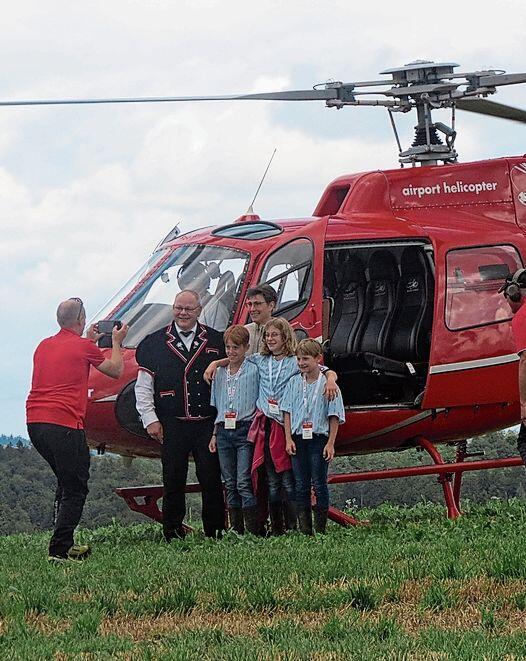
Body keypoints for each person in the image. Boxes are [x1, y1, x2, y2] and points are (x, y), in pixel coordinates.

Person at [206, 317, 338, 535]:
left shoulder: (295, 361)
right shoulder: (259, 360)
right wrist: (214, 363)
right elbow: (235, 359)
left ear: (285, 336)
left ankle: (294, 526)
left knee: (289, 478)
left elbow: (323, 369)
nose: (270, 339)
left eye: (274, 335)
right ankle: (275, 527)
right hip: (265, 425)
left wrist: (331, 380)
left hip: (286, 425)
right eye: (267, 335)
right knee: (271, 478)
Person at [26, 298, 128, 562]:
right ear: (81, 320)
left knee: (65, 478)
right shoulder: (83, 347)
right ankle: (60, 549)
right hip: (65, 424)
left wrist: (90, 341)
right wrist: (116, 343)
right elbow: (116, 370)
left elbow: (70, 358)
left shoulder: (43, 346)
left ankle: (64, 540)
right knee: (76, 486)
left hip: (35, 423)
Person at [135, 289, 226, 541]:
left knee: (210, 478)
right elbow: (143, 386)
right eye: (178, 308)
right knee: (173, 479)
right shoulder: (153, 343)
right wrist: (150, 419)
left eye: (188, 309)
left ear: (199, 310)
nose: (182, 313)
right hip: (171, 424)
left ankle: (215, 532)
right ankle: (172, 532)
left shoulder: (217, 341)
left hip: (207, 424)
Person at [282, 339, 345, 535]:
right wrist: (288, 439)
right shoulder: (293, 382)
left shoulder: (328, 384)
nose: (301, 363)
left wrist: (331, 443)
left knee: (318, 482)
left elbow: (334, 415)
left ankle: (321, 528)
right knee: (300, 484)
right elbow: (287, 412)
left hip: (319, 438)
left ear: (318, 359)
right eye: (299, 359)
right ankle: (305, 529)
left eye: (306, 359)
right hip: (298, 437)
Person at [209, 325, 260, 534]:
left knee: (243, 481)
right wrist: (214, 434)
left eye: (236, 348)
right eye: (228, 348)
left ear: (246, 347)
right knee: (229, 482)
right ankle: (236, 529)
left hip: (244, 428)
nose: (231, 352)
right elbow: (217, 404)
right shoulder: (219, 373)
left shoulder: (255, 368)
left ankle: (253, 528)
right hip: (223, 430)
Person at [502, 269, 526, 465]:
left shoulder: (522, 318)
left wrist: (524, 406)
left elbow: (525, 361)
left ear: (514, 293)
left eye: (506, 296)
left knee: (524, 443)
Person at [177, 261, 230, 330]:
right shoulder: (183, 310)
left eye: (191, 282)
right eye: (186, 283)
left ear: (204, 282)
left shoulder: (214, 307)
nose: (187, 288)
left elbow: (220, 337)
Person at [245, 284, 278, 355]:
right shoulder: (244, 331)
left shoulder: (282, 331)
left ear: (271, 305)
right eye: (250, 304)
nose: (252, 309)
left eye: (257, 304)